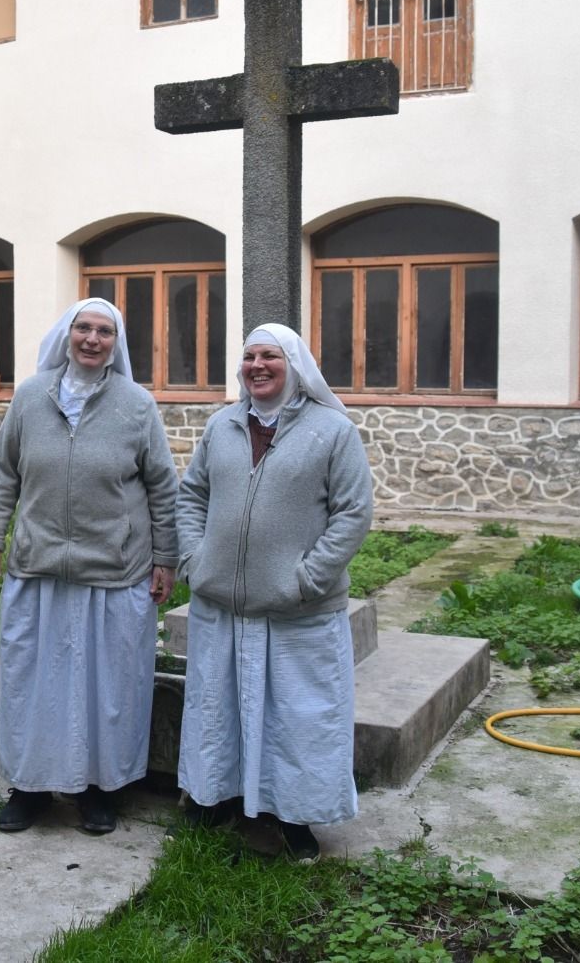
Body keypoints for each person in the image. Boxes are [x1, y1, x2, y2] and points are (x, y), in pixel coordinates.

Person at [0, 297, 178, 835]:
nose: (92, 339)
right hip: (38, 566)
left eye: (104, 331)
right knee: (33, 682)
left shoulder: (137, 405)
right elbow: (4, 474)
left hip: (112, 571)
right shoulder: (29, 398)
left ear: (117, 343)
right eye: (83, 328)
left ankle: (97, 789)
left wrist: (166, 557)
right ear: (67, 336)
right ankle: (31, 787)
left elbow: (162, 487)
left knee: (105, 687)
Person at [174, 322, 373, 862]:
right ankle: (214, 798)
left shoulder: (331, 431)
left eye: (270, 357)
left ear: (295, 365)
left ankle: (296, 817)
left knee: (298, 717)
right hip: (222, 605)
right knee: (217, 707)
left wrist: (308, 579)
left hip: (297, 611)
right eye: (249, 357)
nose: (257, 366)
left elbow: (353, 514)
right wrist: (195, 559)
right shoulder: (222, 426)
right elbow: (191, 496)